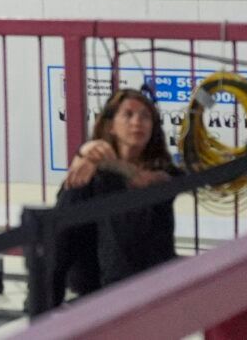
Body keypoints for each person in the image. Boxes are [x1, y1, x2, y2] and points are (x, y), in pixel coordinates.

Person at [49, 87, 179, 305]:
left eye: (145, 116)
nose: (137, 122)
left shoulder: (163, 171)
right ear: (111, 126)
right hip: (102, 289)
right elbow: (63, 238)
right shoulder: (92, 175)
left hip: (153, 286)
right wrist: (88, 155)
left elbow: (148, 180)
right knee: (78, 191)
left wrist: (99, 159)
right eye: (128, 114)